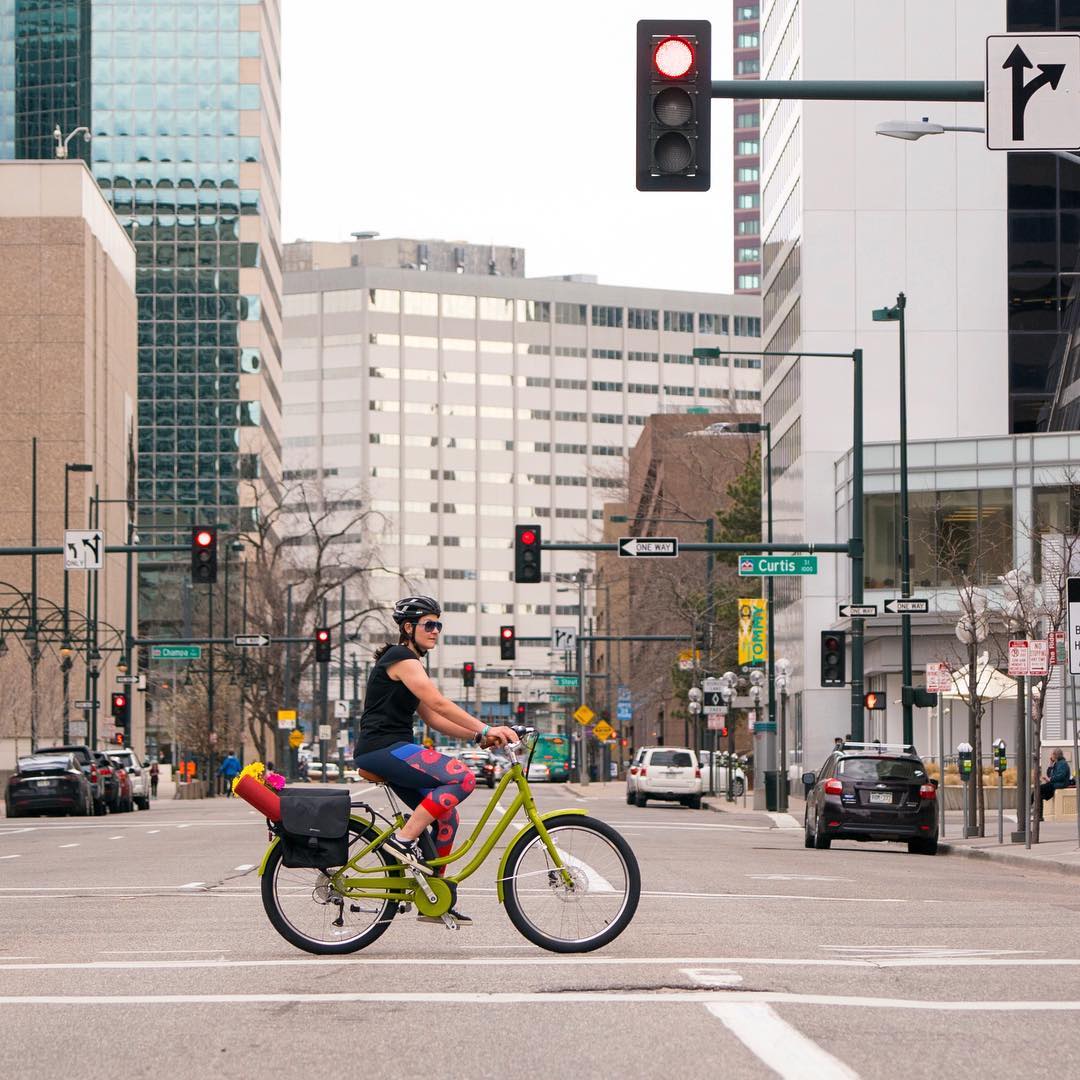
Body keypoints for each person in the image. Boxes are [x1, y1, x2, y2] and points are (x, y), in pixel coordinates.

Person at [353, 595, 517, 925]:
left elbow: (432, 718)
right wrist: (486, 726)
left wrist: (478, 737)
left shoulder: (412, 664)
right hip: (381, 748)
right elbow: (439, 703)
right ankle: (401, 842)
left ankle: (433, 894)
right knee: (462, 777)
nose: (435, 631)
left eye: (438, 625)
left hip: (393, 748)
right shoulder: (401, 658)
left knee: (447, 818)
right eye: (429, 625)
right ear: (408, 628)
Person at [1038, 748, 1072, 818]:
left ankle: (1027, 807)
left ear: (1055, 755)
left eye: (1051, 754)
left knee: (1038, 789)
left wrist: (1050, 779)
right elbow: (1049, 774)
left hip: (1059, 784)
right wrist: (1050, 764)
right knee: (1039, 796)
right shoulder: (1057, 763)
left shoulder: (1062, 764)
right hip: (1054, 784)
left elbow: (1061, 776)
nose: (1050, 756)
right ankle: (1039, 817)